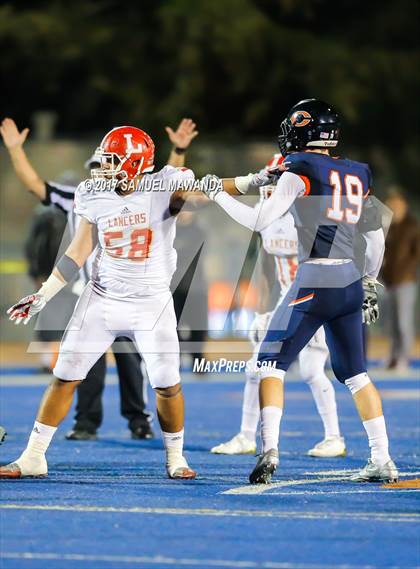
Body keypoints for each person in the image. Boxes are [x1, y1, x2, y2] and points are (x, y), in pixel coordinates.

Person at [0, 123, 242, 480]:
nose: (105, 166)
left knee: (166, 383)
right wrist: (45, 293)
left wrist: (254, 180)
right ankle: (34, 456)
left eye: (112, 160)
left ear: (133, 162)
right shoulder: (93, 192)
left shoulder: (163, 186)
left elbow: (206, 191)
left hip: (151, 303)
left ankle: (175, 457)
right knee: (64, 376)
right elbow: (79, 249)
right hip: (101, 298)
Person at [201, 99, 398, 484]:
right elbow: (375, 240)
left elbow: (261, 219)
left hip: (315, 278)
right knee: (356, 375)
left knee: (268, 365)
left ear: (303, 131)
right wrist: (370, 282)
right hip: (350, 280)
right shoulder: (359, 172)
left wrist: (218, 194)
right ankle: (382, 458)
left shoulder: (301, 166)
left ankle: (269, 451)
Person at [211, 157, 345, 458]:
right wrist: (265, 310)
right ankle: (251, 436)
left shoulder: (308, 220)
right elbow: (270, 271)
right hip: (290, 302)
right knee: (262, 369)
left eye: (276, 183)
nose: (270, 190)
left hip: (314, 301)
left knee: (308, 371)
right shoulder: (270, 220)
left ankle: (332, 437)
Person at [382, 189, 419, 372]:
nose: (393, 207)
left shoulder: (412, 225)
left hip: (405, 281)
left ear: (404, 204)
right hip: (389, 281)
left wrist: (407, 272)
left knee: (404, 323)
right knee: (391, 323)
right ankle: (393, 356)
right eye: (390, 204)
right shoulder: (388, 226)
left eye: (396, 203)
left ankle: (404, 358)